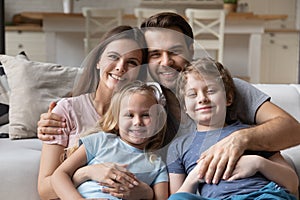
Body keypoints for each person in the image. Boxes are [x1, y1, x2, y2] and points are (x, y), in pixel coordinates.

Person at [38, 12, 300, 192]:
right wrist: (45, 121)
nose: (165, 62)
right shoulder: (143, 101)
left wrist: (239, 140)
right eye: (155, 54)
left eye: (175, 51)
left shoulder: (217, 89)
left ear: (191, 51)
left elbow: (292, 129)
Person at [37, 25, 154, 200]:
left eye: (132, 62)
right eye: (113, 57)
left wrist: (147, 192)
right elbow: (45, 190)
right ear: (98, 61)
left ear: (140, 72)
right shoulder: (67, 111)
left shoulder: (146, 116)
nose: (121, 67)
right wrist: (86, 173)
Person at [167, 57, 298, 199]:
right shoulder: (179, 147)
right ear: (185, 107)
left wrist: (257, 163)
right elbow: (177, 195)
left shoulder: (250, 133)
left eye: (210, 91)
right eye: (192, 94)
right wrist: (194, 176)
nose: (202, 98)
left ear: (228, 98)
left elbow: (291, 183)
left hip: (261, 195)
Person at [51, 80, 169, 200]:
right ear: (116, 122)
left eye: (145, 115)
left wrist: (147, 194)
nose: (137, 122)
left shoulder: (158, 165)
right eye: (129, 115)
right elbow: (59, 175)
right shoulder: (100, 141)